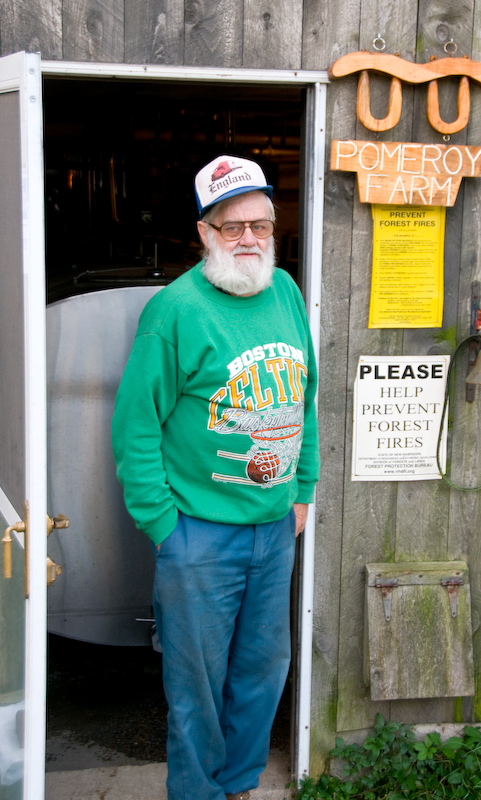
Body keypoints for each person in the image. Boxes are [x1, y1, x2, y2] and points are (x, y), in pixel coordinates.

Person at [112, 155, 320, 800]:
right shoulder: (174, 312)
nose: (250, 239)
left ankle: (238, 786)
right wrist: (162, 525)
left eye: (260, 224)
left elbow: (304, 397)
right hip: (198, 536)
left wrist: (303, 490)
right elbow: (136, 426)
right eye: (232, 228)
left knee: (263, 673)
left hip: (272, 525)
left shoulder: (284, 290)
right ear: (204, 233)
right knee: (195, 686)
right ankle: (197, 792)